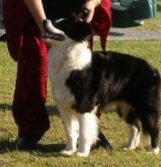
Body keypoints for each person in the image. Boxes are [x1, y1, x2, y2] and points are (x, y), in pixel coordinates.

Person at [3, 0, 112, 151]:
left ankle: (90, 130)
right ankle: (30, 130)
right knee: (33, 69)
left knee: (83, 74)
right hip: (37, 11)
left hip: (75, 12)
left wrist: (92, 3)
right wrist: (44, 26)